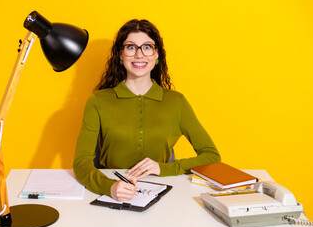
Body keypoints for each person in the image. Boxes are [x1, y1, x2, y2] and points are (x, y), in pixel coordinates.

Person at [73, 19, 220, 202]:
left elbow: (211, 156)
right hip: (112, 193)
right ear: (120, 54)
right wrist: (109, 187)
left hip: (164, 194)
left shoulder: (177, 102)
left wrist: (163, 168)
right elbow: (81, 163)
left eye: (147, 47)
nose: (139, 55)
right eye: (131, 47)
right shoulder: (98, 101)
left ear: (157, 54)